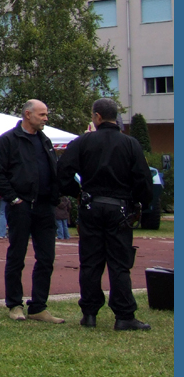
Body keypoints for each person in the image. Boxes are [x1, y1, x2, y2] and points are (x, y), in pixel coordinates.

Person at [57, 98, 154, 331]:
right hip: (120, 208)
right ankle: (124, 315)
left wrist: (78, 192)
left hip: (91, 205)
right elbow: (143, 180)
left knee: (90, 262)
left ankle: (89, 313)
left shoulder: (82, 143)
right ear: (115, 117)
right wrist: (140, 202)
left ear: (97, 117)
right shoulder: (130, 144)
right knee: (119, 263)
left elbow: (62, 174)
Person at [0, 99, 64, 323]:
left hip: (44, 207)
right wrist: (14, 199)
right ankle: (14, 304)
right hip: (21, 207)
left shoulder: (45, 141)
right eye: (42, 115)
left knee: (46, 258)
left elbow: (53, 171)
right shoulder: (8, 141)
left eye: (46, 114)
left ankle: (39, 306)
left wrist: (54, 197)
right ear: (27, 115)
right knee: (17, 256)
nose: (46, 118)